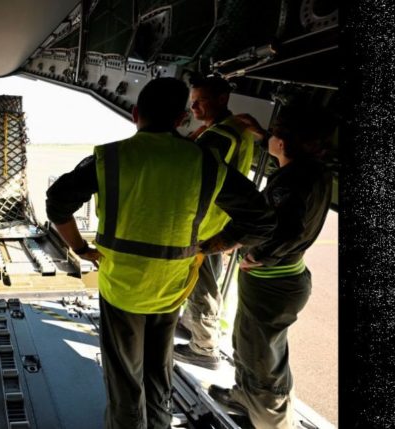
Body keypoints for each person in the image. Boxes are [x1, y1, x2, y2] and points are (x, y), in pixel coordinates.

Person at [45, 78, 276, 428]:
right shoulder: (206, 162)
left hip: (121, 287)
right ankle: (159, 421)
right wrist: (216, 245)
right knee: (158, 366)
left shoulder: (109, 158)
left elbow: (57, 203)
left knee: (124, 375)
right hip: (172, 287)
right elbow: (260, 219)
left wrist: (80, 248)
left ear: (136, 113)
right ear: (183, 119)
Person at [207, 104, 335, 428]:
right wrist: (264, 134)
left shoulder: (289, 184)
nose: (270, 139)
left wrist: (258, 256)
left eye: (275, 134)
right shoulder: (312, 170)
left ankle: (270, 421)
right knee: (252, 347)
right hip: (279, 282)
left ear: (285, 143)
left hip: (272, 283)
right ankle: (246, 395)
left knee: (263, 361)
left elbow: (289, 229)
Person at [174, 76, 257, 370]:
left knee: (202, 286)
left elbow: (183, 163)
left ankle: (204, 347)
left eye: (201, 101)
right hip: (217, 220)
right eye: (192, 101)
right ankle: (192, 326)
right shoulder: (234, 127)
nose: (193, 107)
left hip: (204, 225)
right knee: (206, 282)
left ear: (222, 99)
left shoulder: (219, 136)